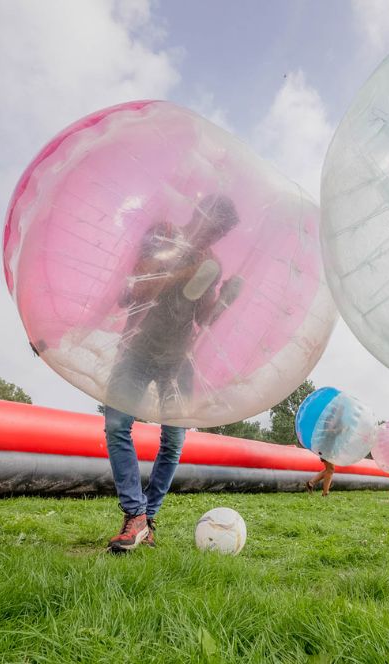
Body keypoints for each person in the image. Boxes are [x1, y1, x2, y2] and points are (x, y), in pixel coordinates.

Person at [103, 194, 241, 554]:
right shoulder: (162, 233)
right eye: (211, 224)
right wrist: (185, 275)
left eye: (220, 232)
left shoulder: (211, 261)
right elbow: (135, 290)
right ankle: (135, 513)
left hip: (178, 359)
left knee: (174, 441)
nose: (212, 235)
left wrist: (223, 299)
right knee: (117, 425)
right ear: (198, 212)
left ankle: (146, 521)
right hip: (137, 349)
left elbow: (201, 319)